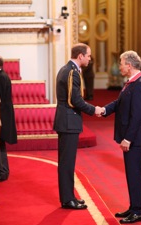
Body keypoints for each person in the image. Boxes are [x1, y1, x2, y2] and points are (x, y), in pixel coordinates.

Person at [100, 51, 141, 224]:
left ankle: (138, 211)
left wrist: (128, 138)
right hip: (131, 138)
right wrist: (104, 110)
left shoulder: (140, 84)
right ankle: (133, 207)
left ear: (129, 65)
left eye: (121, 63)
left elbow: (138, 116)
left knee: (135, 175)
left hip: (134, 139)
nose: (119, 66)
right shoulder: (132, 83)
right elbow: (119, 103)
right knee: (131, 174)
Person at [53, 43, 102, 210]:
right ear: (80, 56)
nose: (89, 58)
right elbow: (75, 100)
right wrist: (94, 109)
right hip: (68, 121)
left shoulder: (66, 69)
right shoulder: (71, 72)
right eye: (88, 55)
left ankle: (70, 196)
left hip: (66, 120)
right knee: (67, 163)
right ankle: (67, 200)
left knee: (67, 162)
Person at [0, 55, 17, 182]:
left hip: (0, 116)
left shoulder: (1, 77)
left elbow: (0, 100)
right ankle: (3, 171)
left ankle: (1, 172)